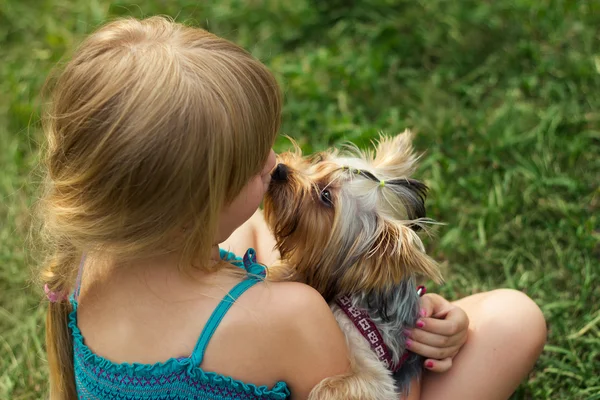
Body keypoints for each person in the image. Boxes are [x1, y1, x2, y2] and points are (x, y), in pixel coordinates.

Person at [37, 16, 546, 400]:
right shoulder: (293, 319)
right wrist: (400, 342)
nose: (275, 162)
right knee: (514, 318)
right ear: (196, 207)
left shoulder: (87, 263)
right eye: (254, 162)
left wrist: (409, 314)